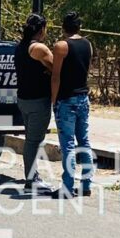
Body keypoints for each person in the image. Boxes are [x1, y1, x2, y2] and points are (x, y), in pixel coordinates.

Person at [50, 11, 94, 197]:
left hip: (66, 99)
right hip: (83, 96)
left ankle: (67, 186)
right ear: (79, 27)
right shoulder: (87, 44)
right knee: (84, 140)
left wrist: (54, 99)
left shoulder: (61, 46)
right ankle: (86, 184)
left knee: (67, 143)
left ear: (63, 27)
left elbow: (56, 76)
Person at [14, 13, 54, 194]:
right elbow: (56, 68)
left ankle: (32, 177)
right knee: (34, 141)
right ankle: (31, 179)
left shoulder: (20, 47)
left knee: (31, 139)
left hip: (23, 98)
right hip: (38, 100)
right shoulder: (39, 49)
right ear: (41, 29)